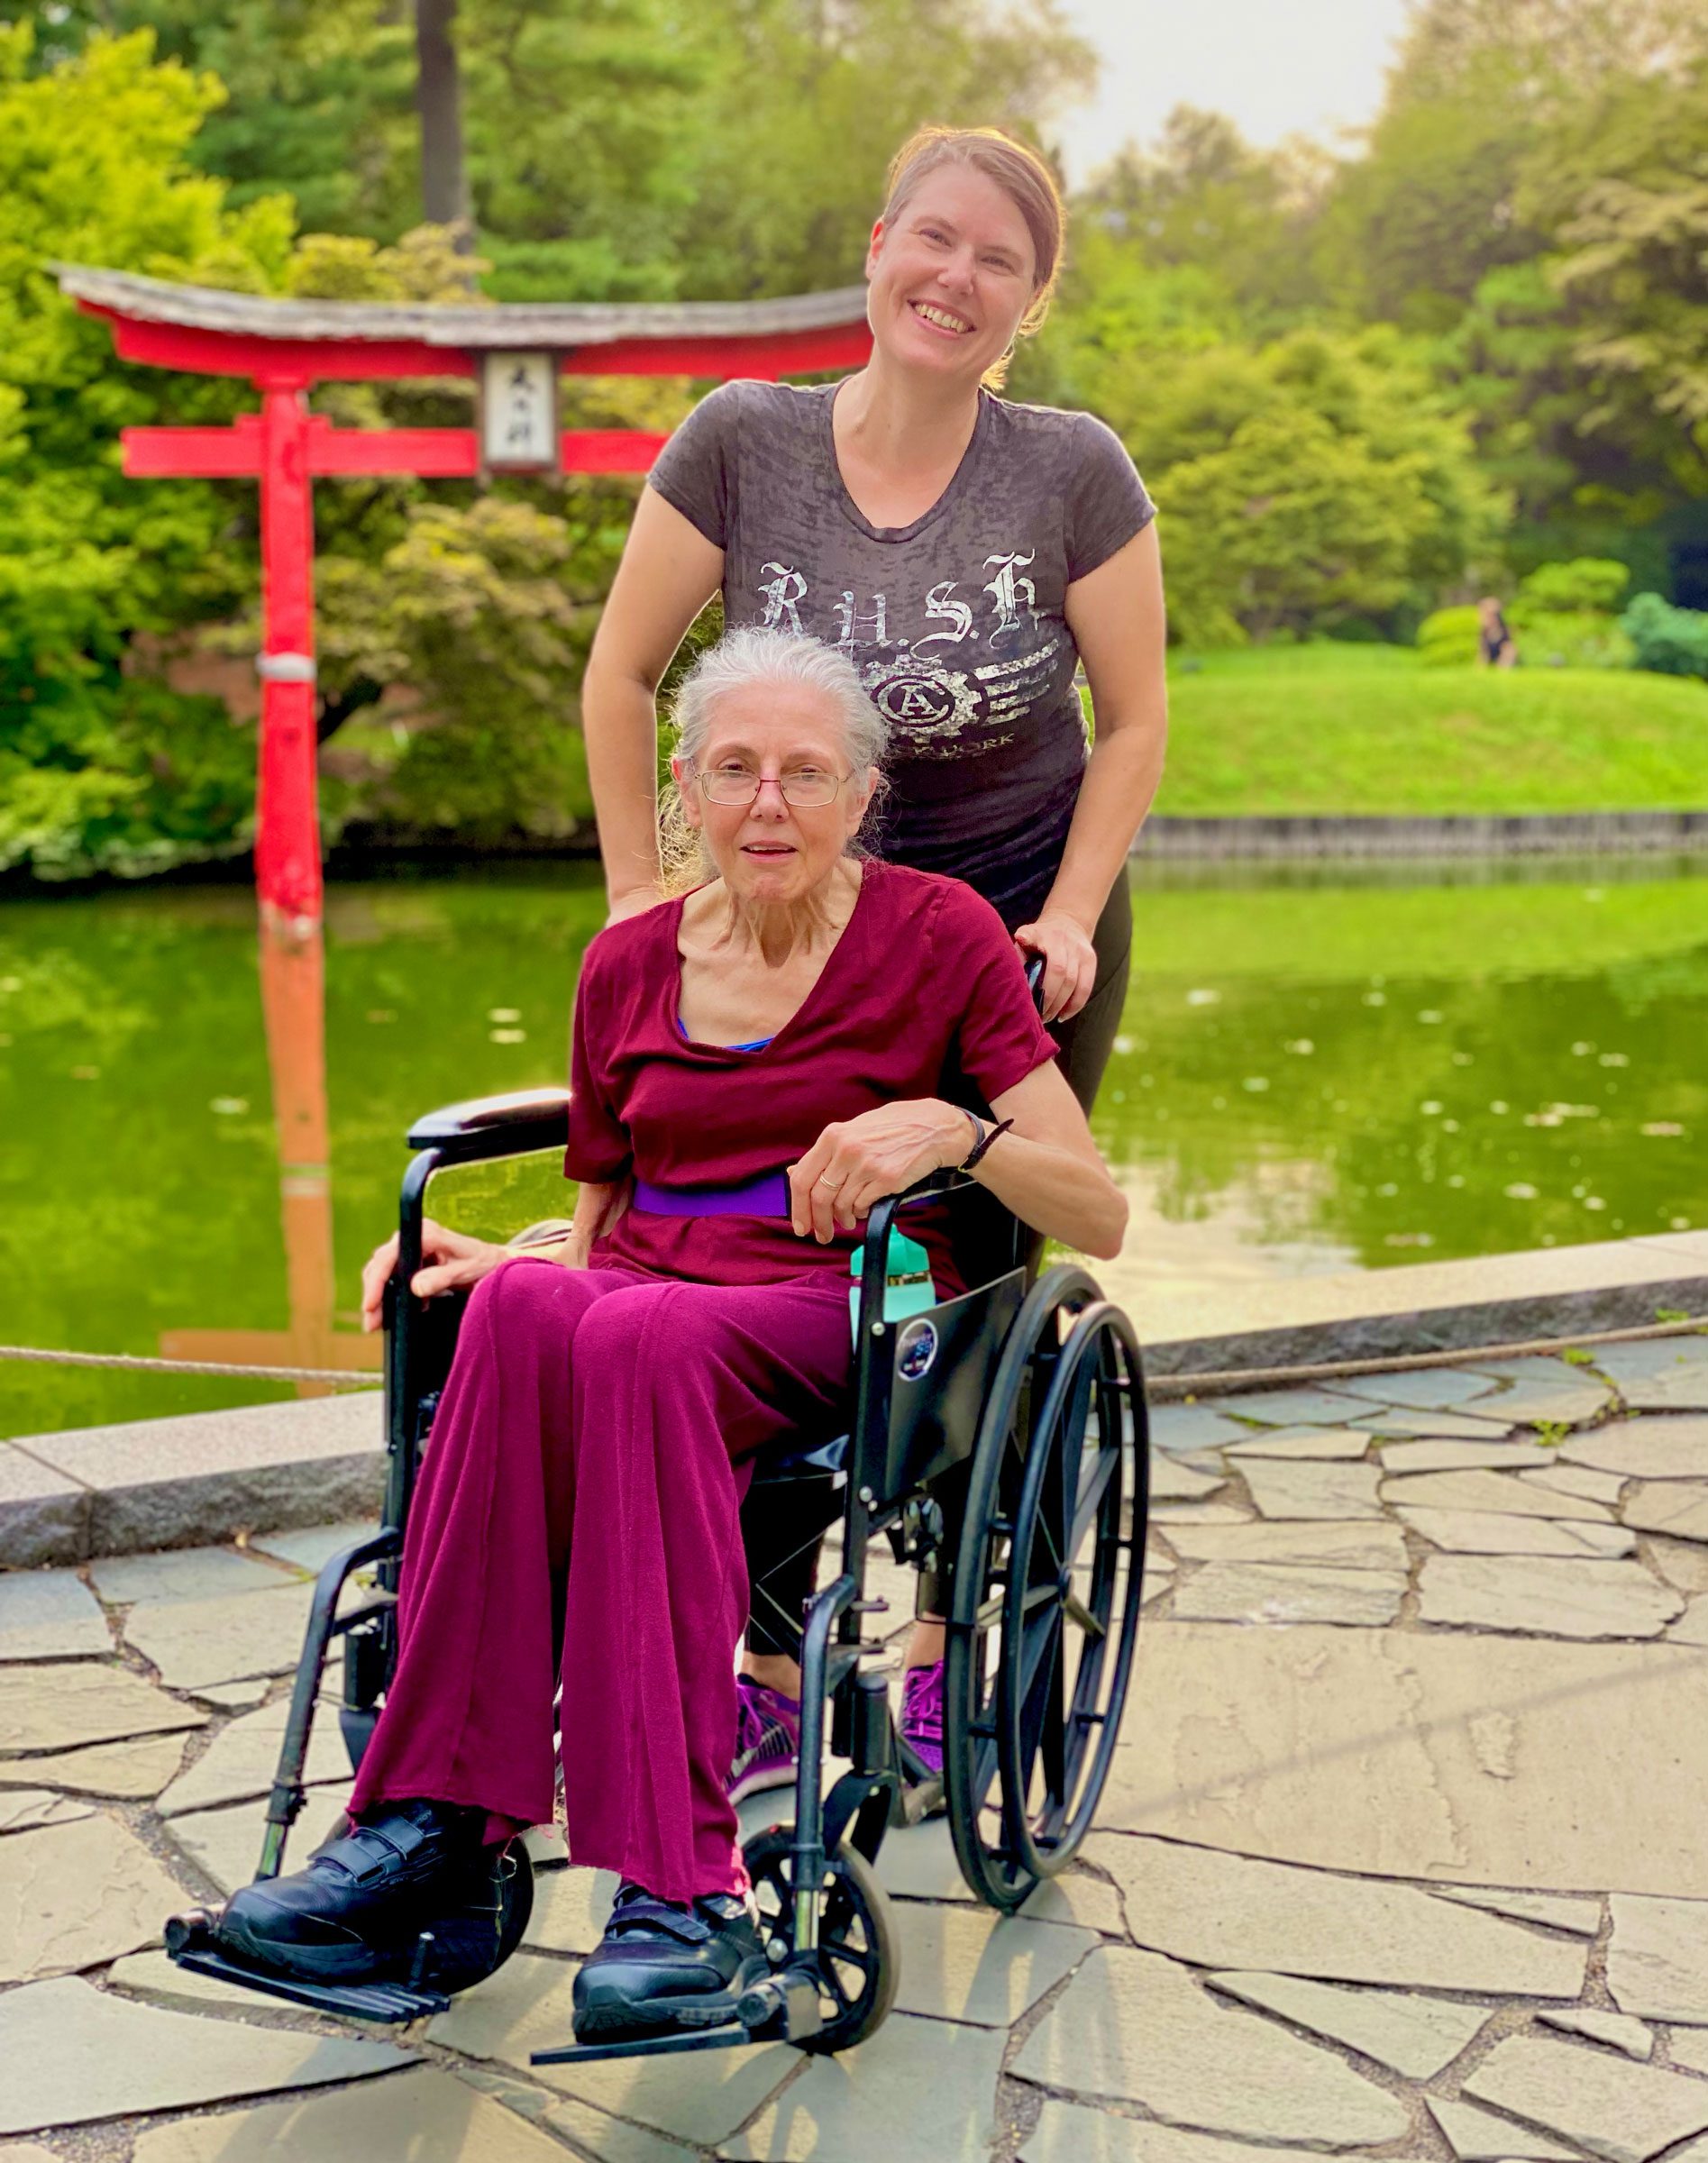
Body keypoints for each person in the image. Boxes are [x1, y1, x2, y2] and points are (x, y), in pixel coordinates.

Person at [211, 630, 1128, 2045]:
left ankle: (672, 1888)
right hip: (647, 1290)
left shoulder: (939, 934)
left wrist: (954, 1126)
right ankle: (436, 1824)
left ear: (859, 793)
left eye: (805, 773)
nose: (769, 803)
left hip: (836, 1302)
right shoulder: (628, 957)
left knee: (635, 1339)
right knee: (529, 1309)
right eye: (734, 770)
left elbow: (1096, 1210)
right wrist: (502, 1260)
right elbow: (600, 1217)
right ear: (684, 787)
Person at [582, 123, 1166, 1781]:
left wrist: (1061, 910)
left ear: (1029, 303)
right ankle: (768, 1661)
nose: (956, 278)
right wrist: (644, 896)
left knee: (981, 1262)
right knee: (763, 1247)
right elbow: (620, 676)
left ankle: (939, 1647)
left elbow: (1133, 726)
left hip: (1018, 928)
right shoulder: (743, 443)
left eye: (1000, 260)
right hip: (797, 928)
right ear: (877, 245)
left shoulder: (1071, 471)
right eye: (938, 238)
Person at [1477, 597, 1518, 668]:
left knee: (1509, 650)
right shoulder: (1483, 631)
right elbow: (1483, 652)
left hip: (1502, 656)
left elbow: (1508, 646)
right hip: (1490, 656)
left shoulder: (1503, 629)